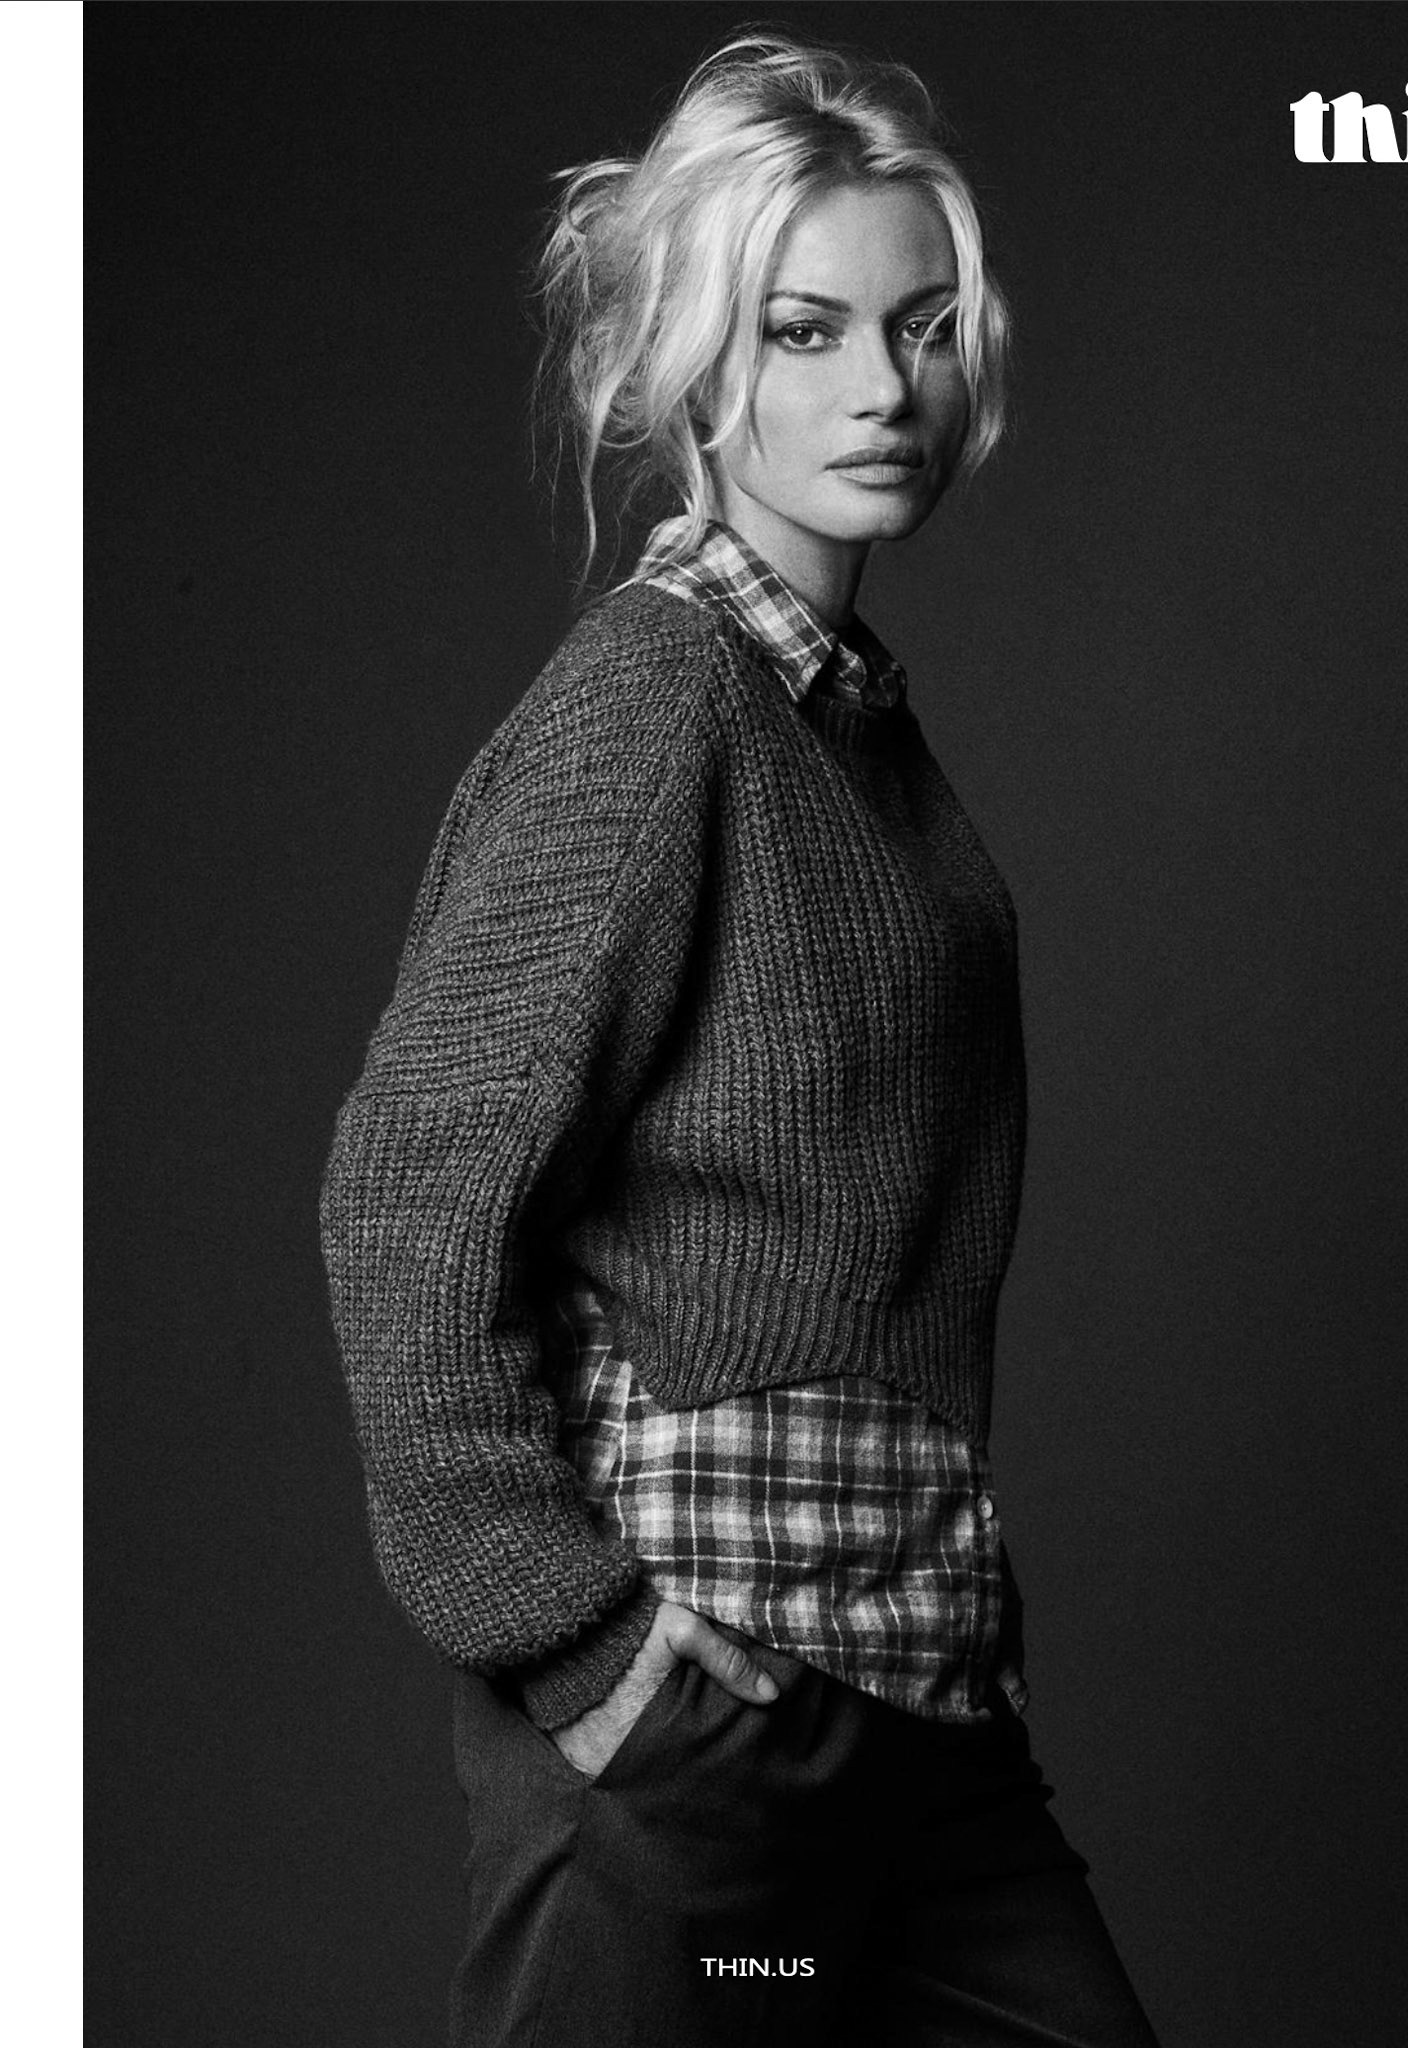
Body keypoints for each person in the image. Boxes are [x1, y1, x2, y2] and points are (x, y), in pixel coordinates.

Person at [320, 30, 1162, 2048]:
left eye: (923, 325)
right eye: (805, 330)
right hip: (698, 1719)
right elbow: (407, 1199)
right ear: (699, 367)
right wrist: (583, 1649)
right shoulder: (657, 699)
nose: (885, 386)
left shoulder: (853, 731)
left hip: (924, 1691)